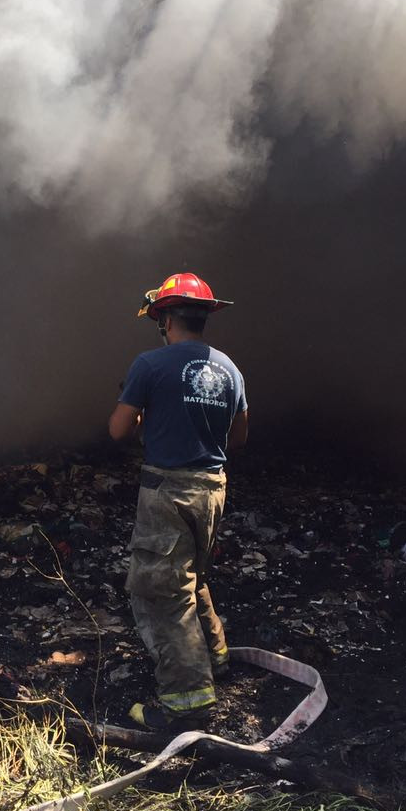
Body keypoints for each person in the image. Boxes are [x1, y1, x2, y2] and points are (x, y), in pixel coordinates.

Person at [108, 272, 248, 732]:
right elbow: (239, 435)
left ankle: (187, 705)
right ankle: (216, 656)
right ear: (205, 317)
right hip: (213, 487)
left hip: (167, 490)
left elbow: (117, 430)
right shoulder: (230, 369)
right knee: (191, 573)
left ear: (165, 318)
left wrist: (150, 414)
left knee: (163, 591)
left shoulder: (150, 365)